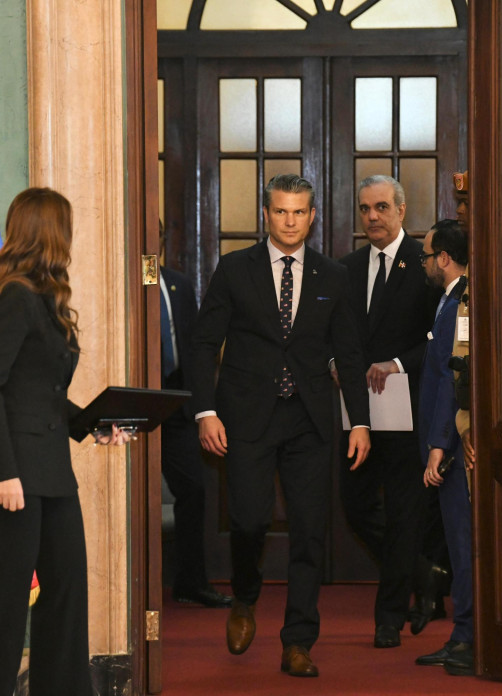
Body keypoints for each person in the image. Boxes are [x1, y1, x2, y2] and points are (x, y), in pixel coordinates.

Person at [190, 174, 371, 677]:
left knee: (310, 532)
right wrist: (206, 411)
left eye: (299, 213)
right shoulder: (233, 270)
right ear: (265, 215)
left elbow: (349, 355)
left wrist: (360, 422)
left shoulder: (333, 276)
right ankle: (245, 597)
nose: (290, 222)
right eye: (281, 212)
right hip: (245, 419)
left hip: (310, 421)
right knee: (249, 520)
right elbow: (204, 345)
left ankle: (298, 642)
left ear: (312, 217)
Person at [0, 188, 130, 696]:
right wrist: (5, 471)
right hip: (12, 471)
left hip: (50, 468)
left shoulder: (42, 299)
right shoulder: (15, 297)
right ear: (51, 234)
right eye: (66, 229)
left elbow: (43, 393)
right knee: (7, 596)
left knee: (67, 587)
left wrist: (93, 424)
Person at [335, 174, 445, 648]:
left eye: (381, 207)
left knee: (404, 514)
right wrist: (334, 363)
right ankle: (426, 574)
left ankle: (389, 617)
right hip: (356, 414)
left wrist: (397, 363)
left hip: (410, 411)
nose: (372, 217)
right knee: (355, 507)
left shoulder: (425, 266)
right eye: (365, 209)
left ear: (402, 210)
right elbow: (333, 335)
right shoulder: (346, 267)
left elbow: (440, 340)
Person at [414, 218, 473, 676]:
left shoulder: (463, 304)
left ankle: (468, 639)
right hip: (446, 442)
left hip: (453, 448)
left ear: (445, 259)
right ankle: (461, 635)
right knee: (454, 544)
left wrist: (439, 445)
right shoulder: (448, 299)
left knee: (462, 543)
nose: (424, 263)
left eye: (427, 255)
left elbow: (456, 381)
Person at [159, 261, 231, 608]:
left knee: (194, 488)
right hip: (137, 396)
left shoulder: (179, 284)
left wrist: (203, 403)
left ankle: (190, 582)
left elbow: (195, 344)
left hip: (178, 402)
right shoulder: (124, 284)